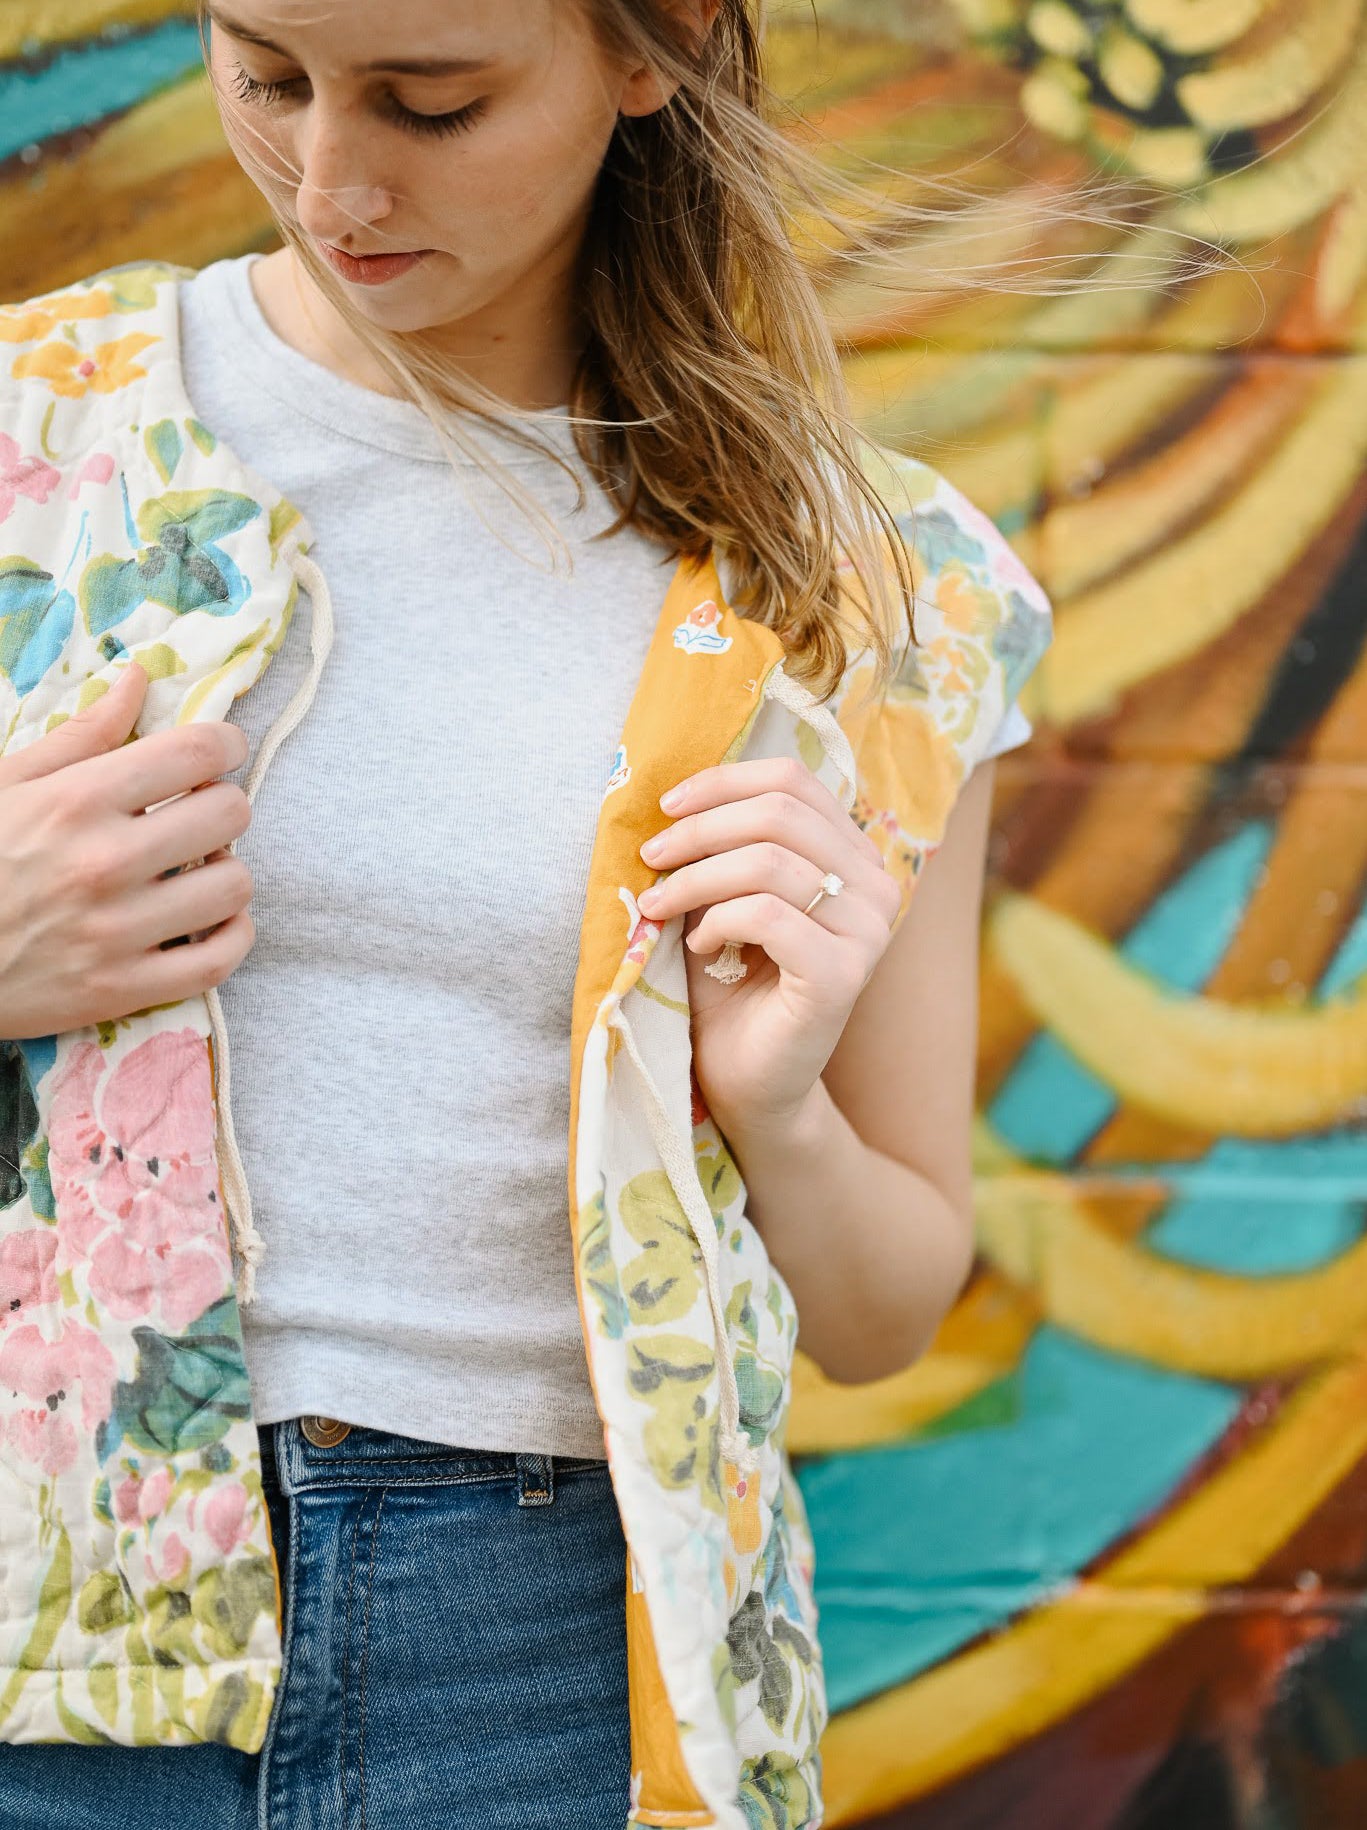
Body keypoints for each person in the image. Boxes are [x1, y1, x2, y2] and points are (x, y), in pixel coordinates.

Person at [0, 2, 1052, 1826]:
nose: (330, 177)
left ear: (652, 52)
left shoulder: (876, 588)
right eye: (265, 76)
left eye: (430, 102)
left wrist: (778, 1106)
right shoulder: (33, 443)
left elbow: (889, 1303)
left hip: (551, 1664)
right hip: (44, 1615)